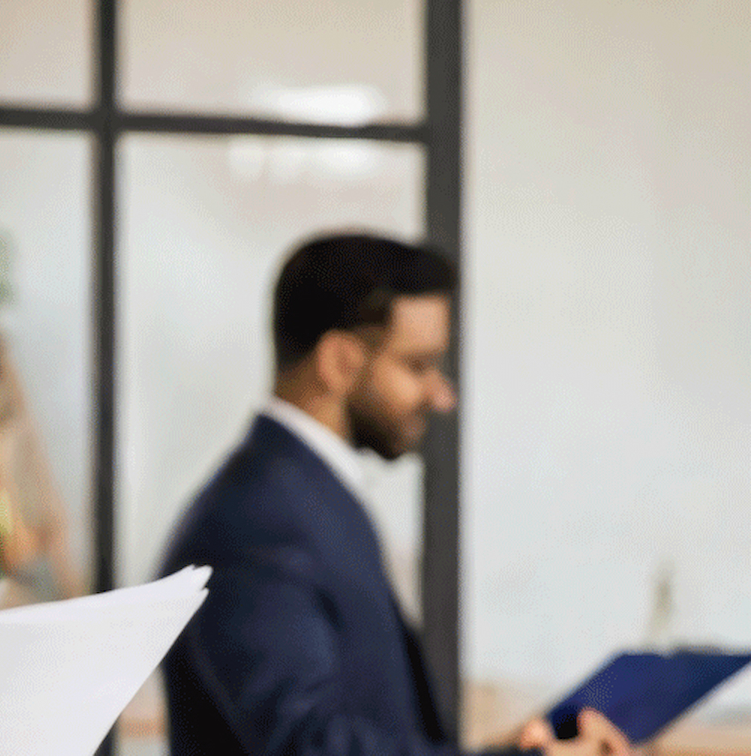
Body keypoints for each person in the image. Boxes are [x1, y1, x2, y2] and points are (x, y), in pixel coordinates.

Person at [157, 232, 629, 756]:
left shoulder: (302, 497)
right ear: (340, 362)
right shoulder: (254, 522)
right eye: (418, 366)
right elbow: (309, 747)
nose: (441, 395)